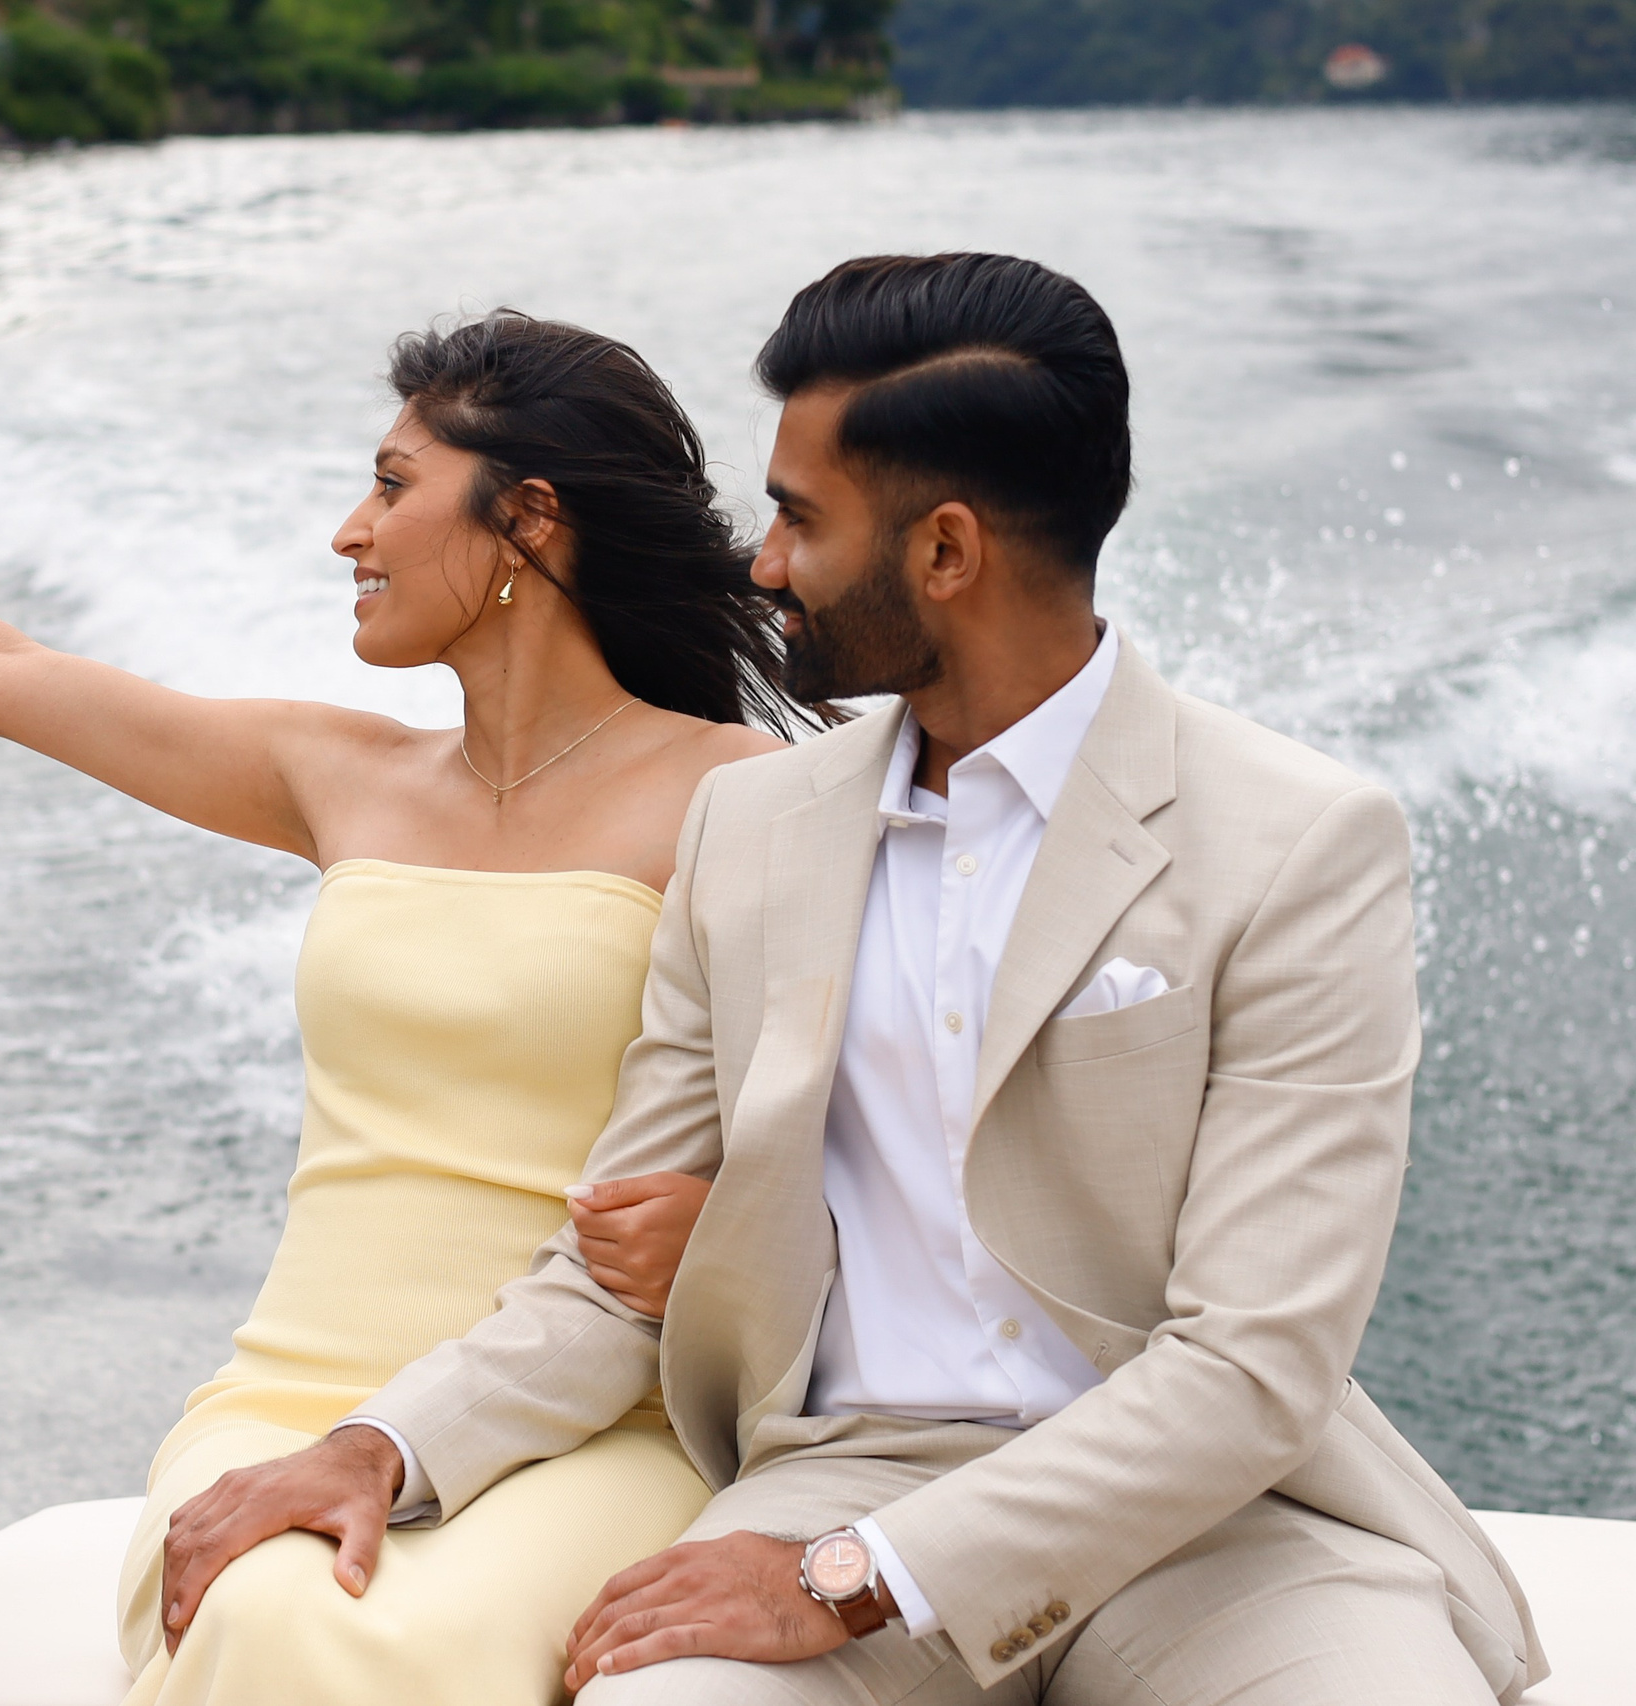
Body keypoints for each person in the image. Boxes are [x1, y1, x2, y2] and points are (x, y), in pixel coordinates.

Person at [155, 254, 1546, 1706]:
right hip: (836, 1475)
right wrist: (378, 1446)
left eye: (800, 518)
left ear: (944, 552)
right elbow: (610, 1278)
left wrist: (859, 1574)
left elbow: (1252, 1366)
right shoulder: (750, 831)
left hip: (1227, 1529)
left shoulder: (1300, 840)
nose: (761, 562)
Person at [0, 311, 837, 1706]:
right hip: (289, 1386)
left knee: (330, 1630)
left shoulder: (737, 798)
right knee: (258, 1594)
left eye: (394, 487)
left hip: (596, 1419)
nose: (350, 533)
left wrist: (730, 1229)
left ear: (528, 519)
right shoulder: (339, 774)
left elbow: (870, 1139)